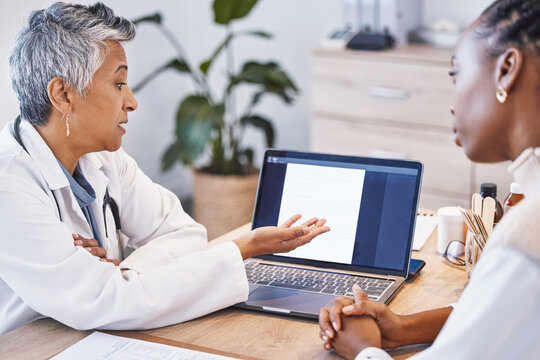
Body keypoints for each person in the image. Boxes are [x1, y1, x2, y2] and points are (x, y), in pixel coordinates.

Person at [0, 2, 330, 335]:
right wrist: (244, 247)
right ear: (63, 94)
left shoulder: (102, 157)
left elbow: (183, 234)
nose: (131, 101)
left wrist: (119, 279)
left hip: (91, 336)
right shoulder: (8, 185)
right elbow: (105, 302)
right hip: (29, 346)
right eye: (118, 84)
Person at [318, 0, 540, 358]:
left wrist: (364, 350)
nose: (453, 103)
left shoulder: (526, 237)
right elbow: (507, 317)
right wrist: (403, 328)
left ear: (507, 70)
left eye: (457, 75)